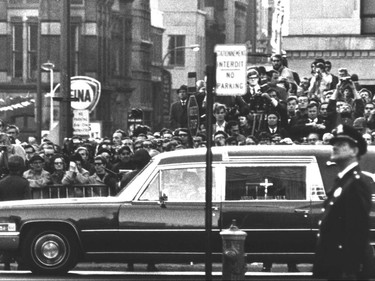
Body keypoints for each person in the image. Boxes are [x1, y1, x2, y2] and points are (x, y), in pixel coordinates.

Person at [313, 124, 374, 280]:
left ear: (354, 151)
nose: (334, 147)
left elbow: (357, 228)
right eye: (334, 144)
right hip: (336, 263)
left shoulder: (356, 182)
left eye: (341, 144)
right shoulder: (343, 181)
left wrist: (351, 268)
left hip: (346, 267)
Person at [0, 155, 30, 270]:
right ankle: (21, 263)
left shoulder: (2, 182)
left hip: (5, 215)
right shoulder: (24, 183)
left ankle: (6, 261)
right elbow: (28, 201)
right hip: (19, 215)